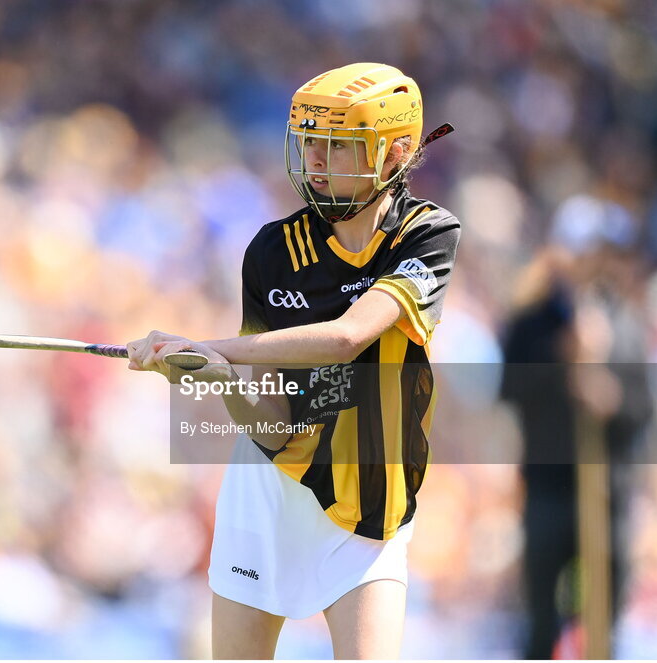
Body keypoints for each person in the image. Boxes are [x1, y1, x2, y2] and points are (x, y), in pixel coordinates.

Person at [127, 63, 460, 660]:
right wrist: (221, 378)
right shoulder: (271, 252)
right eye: (309, 144)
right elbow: (274, 424)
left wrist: (209, 346)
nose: (315, 162)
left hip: (372, 507)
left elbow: (346, 338)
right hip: (268, 496)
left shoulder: (426, 234)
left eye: (336, 148)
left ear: (394, 154)